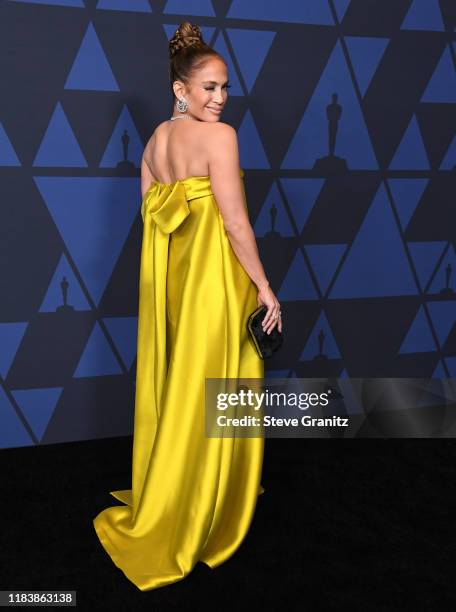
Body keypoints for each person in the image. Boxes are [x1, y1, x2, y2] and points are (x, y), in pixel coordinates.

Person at [93, 21, 282, 592]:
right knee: (218, 382)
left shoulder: (154, 142)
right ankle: (207, 499)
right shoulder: (220, 140)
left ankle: (180, 484)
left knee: (182, 381)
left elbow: (154, 220)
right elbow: (235, 222)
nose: (219, 100)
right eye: (208, 88)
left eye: (225, 88)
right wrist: (266, 288)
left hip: (175, 285)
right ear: (180, 88)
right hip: (215, 283)